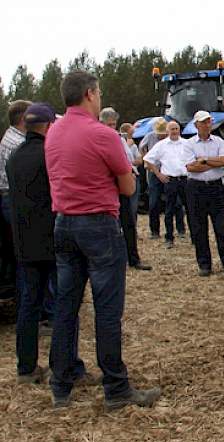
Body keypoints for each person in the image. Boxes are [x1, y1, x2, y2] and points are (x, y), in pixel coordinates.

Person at [45, 69, 161, 409]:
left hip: (64, 223)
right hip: (98, 225)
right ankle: (116, 387)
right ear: (91, 94)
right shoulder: (103, 135)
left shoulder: (53, 133)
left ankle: (61, 384)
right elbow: (127, 188)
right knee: (107, 309)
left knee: (66, 306)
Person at [6, 103, 75, 384]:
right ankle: (62, 368)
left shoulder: (14, 157)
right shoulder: (49, 156)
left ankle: (26, 367)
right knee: (63, 303)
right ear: (48, 126)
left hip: (24, 243)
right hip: (51, 240)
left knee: (29, 305)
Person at [184, 111, 224, 277]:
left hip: (215, 188)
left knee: (220, 227)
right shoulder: (189, 143)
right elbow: (191, 167)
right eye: (203, 122)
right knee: (199, 228)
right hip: (196, 188)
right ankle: (204, 265)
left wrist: (204, 161)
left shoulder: (219, 141)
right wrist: (213, 163)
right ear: (196, 125)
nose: (207, 125)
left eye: (208, 122)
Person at [99, 108, 151, 271]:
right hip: (106, 186)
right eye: (109, 124)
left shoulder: (119, 139)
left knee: (128, 222)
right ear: (101, 123)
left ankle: (133, 258)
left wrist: (131, 173)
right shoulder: (97, 138)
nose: (112, 127)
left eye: (114, 124)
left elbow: (128, 159)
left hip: (122, 183)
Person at [143, 120, 193, 249]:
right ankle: (169, 238)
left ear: (179, 130)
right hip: (170, 180)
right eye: (172, 129)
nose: (174, 131)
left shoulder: (187, 144)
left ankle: (194, 237)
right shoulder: (161, 145)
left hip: (185, 179)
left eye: (176, 128)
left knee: (190, 209)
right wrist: (158, 174)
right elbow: (148, 159)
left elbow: (196, 158)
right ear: (167, 131)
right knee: (169, 209)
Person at [0, 100, 31, 299]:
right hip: (14, 199)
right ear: (24, 119)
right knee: (26, 253)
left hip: (8, 198)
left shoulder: (9, 138)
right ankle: (26, 301)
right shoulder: (18, 144)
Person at [138, 117, 168, 239]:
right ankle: (154, 231)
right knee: (153, 201)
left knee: (174, 201)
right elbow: (141, 147)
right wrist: (146, 158)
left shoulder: (170, 138)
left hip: (168, 170)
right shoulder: (150, 136)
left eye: (163, 134)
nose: (161, 136)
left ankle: (180, 229)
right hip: (153, 172)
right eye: (159, 134)